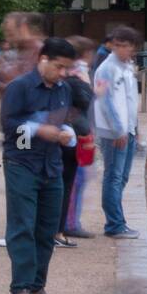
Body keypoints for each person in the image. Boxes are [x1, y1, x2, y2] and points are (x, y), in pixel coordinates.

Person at [0, 37, 76, 294]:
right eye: (59, 66)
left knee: (47, 229)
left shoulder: (63, 89)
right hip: (22, 163)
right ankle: (19, 288)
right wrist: (37, 129)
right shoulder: (19, 88)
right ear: (43, 60)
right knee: (22, 226)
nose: (63, 73)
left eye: (67, 68)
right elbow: (8, 127)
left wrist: (67, 134)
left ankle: (36, 286)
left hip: (52, 164)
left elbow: (63, 121)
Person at [93, 26, 141, 239]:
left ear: (133, 48)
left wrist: (134, 127)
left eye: (126, 46)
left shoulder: (127, 67)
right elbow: (105, 101)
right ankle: (114, 224)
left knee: (122, 177)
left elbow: (130, 100)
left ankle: (117, 220)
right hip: (114, 132)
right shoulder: (106, 69)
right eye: (118, 45)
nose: (121, 49)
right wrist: (117, 129)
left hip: (127, 129)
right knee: (113, 176)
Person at [57, 36, 97, 246]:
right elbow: (87, 100)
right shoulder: (75, 76)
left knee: (75, 179)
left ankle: (65, 224)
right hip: (73, 134)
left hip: (75, 133)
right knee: (72, 181)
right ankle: (66, 224)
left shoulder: (71, 76)